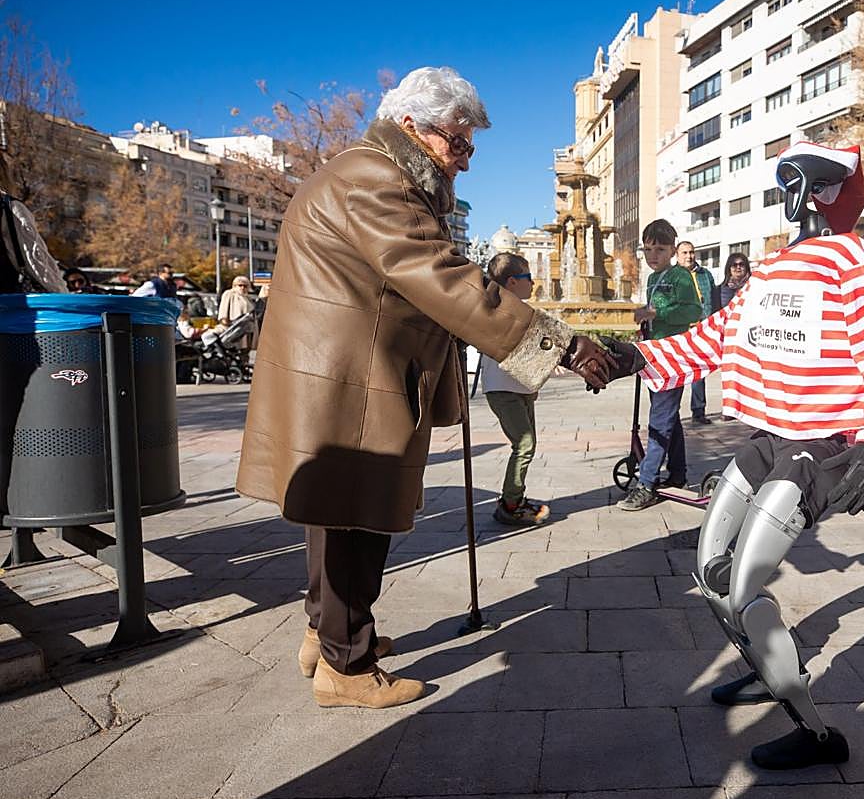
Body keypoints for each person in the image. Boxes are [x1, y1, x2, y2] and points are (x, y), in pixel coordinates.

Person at [235, 66, 613, 710]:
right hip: (350, 380)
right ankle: (344, 668)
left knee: (341, 513)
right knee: (355, 516)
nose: (463, 161)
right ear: (410, 124)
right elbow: (438, 276)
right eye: (456, 143)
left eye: (469, 147)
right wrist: (563, 344)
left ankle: (326, 633)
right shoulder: (375, 178)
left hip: (348, 373)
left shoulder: (372, 172)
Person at [599, 141, 864, 769]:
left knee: (747, 582)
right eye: (786, 182)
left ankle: (815, 734)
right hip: (770, 436)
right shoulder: (776, 269)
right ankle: (765, 663)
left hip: (822, 444)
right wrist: (635, 359)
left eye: (798, 181)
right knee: (712, 569)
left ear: (822, 193)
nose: (790, 193)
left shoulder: (849, 260)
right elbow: (721, 335)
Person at [618, 219, 702, 510]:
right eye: (648, 249)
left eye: (660, 249)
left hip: (674, 356)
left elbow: (694, 310)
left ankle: (647, 483)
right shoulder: (653, 279)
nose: (653, 255)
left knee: (660, 420)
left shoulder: (680, 277)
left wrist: (657, 311)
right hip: (655, 354)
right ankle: (677, 474)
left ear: (673, 250)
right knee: (668, 418)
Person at [480, 253, 551, 526]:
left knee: (527, 445)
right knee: (524, 444)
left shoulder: (520, 310)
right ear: (512, 282)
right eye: (528, 277)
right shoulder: (499, 310)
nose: (533, 283)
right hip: (502, 388)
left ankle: (514, 499)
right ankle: (510, 504)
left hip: (518, 388)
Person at [675, 240, 719, 426]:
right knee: (677, 372)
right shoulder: (673, 276)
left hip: (702, 329)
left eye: (691, 252)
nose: (689, 256)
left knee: (699, 372)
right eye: (684, 253)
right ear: (677, 255)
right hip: (681, 329)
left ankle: (698, 411)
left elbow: (714, 299)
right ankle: (672, 412)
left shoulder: (705, 274)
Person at [218, 275, 257, 350]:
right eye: (240, 285)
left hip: (247, 329)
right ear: (235, 285)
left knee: (245, 350)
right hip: (234, 329)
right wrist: (225, 321)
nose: (242, 287)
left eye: (245, 286)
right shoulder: (229, 294)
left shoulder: (247, 298)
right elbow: (224, 309)